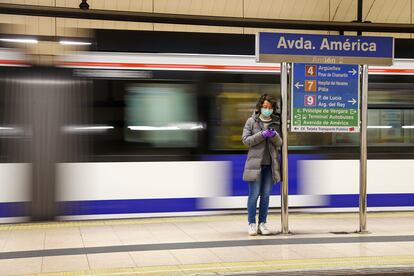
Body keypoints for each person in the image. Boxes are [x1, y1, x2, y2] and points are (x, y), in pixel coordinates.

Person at [242, 94, 282, 236]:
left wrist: (274, 135)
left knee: (265, 195)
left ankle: (263, 224)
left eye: (270, 107)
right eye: (265, 107)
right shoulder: (251, 122)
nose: (267, 110)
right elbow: (246, 140)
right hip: (255, 166)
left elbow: (280, 143)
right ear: (260, 107)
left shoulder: (277, 122)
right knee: (254, 195)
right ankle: (251, 223)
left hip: (270, 166)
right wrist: (262, 135)